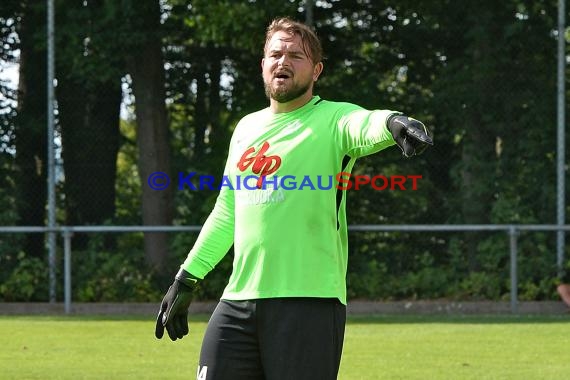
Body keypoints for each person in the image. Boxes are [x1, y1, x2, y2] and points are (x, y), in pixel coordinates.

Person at [155, 17, 433, 380]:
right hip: (239, 301)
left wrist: (395, 123)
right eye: (275, 53)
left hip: (310, 303)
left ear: (316, 70)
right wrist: (187, 278)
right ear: (263, 64)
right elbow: (227, 213)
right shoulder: (246, 128)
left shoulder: (332, 119)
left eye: (295, 55)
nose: (283, 61)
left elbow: (364, 124)